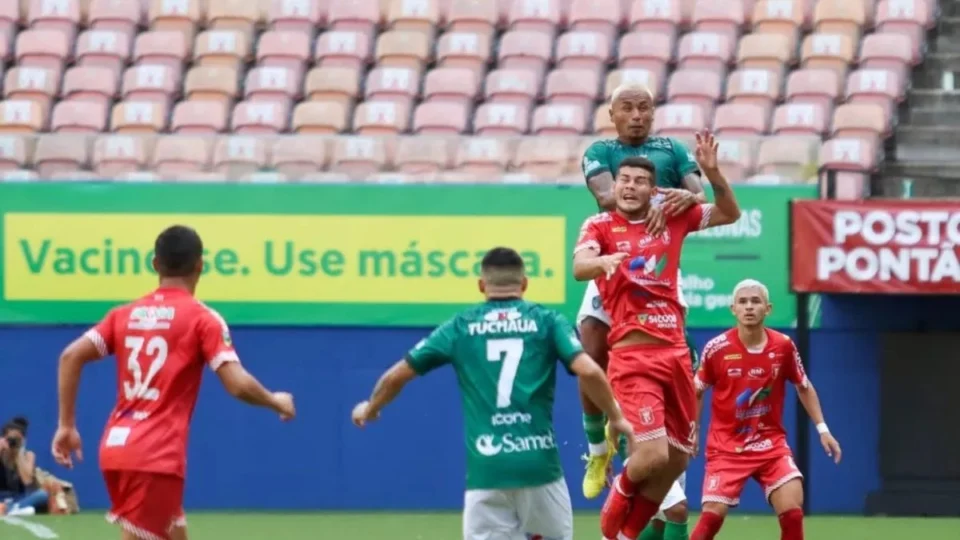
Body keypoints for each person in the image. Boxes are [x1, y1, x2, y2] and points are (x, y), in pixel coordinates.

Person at [351, 247, 634, 540]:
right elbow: (588, 372)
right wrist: (615, 417)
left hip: (487, 470)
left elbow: (396, 376)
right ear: (524, 284)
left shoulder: (461, 326)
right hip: (539, 467)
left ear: (481, 285)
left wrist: (371, 408)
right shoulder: (547, 321)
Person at [51, 225, 297, 540]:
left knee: (170, 534)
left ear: (155, 264)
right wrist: (275, 400)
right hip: (155, 456)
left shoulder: (123, 315)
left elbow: (71, 356)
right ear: (200, 265)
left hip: (117, 447)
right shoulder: (202, 318)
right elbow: (237, 384)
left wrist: (66, 425)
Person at [573, 130, 742, 540]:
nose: (630, 187)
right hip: (634, 356)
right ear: (614, 186)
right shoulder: (600, 225)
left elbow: (729, 213)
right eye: (624, 181)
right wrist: (603, 263)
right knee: (650, 454)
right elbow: (580, 266)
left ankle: (626, 534)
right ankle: (617, 502)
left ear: (654, 190)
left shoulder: (673, 216)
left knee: (677, 460)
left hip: (676, 355)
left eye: (639, 182)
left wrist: (714, 174)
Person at [578, 82, 707, 540]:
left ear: (654, 113)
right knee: (589, 350)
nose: (637, 115)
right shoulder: (599, 151)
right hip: (614, 261)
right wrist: (654, 199)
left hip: (658, 272)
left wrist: (683, 198)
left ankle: (647, 445)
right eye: (627, 108)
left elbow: (698, 191)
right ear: (611, 113)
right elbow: (605, 197)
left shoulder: (671, 148)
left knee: (675, 351)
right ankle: (598, 445)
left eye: (644, 108)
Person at [690, 279, 842, 540]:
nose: (749, 307)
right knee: (711, 518)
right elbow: (696, 390)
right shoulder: (716, 349)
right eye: (743, 302)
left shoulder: (783, 346)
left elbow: (803, 386)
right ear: (733, 309)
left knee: (793, 510)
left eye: (755, 301)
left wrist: (823, 429)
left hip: (770, 445)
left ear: (768, 309)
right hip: (726, 447)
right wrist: (693, 429)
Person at [0, 417, 47, 516]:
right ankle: (13, 510)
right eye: (10, 439)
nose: (13, 442)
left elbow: (27, 481)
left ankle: (12, 510)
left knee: (42, 495)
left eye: (16, 439)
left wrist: (19, 452)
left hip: (17, 499)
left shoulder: (28, 456)